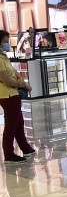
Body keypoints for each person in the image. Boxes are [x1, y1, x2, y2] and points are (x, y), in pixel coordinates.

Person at [0, 30, 35, 164]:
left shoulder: (4, 57)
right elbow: (6, 79)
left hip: (13, 93)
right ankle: (8, 153)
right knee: (12, 124)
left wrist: (23, 83)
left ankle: (25, 148)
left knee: (19, 122)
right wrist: (20, 84)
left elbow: (14, 72)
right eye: (4, 42)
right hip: (7, 94)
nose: (7, 45)